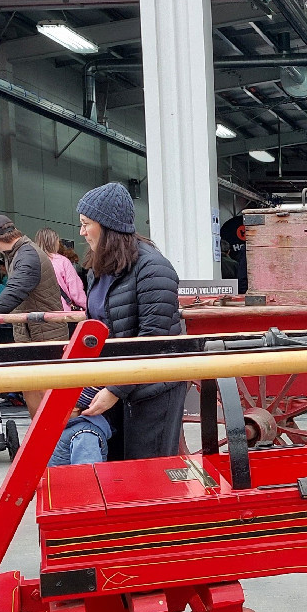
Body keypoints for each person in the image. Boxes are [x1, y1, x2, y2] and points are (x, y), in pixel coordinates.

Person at [75, 182, 188, 459]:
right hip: (116, 382)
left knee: (148, 469)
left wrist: (114, 389)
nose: (81, 232)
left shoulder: (153, 267)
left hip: (152, 389)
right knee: (116, 468)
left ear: (106, 225)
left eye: (85, 224)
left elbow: (154, 338)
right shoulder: (98, 268)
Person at [0, 214, 70, 416]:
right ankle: (44, 445)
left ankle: (59, 444)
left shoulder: (26, 254)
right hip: (33, 335)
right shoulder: (20, 252)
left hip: (43, 336)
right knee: (34, 391)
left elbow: (16, 290)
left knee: (49, 398)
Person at [35, 227, 87, 310]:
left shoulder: (32, 263)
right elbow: (76, 291)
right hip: (62, 313)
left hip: (38, 313)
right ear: (55, 242)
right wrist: (87, 307)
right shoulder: (62, 262)